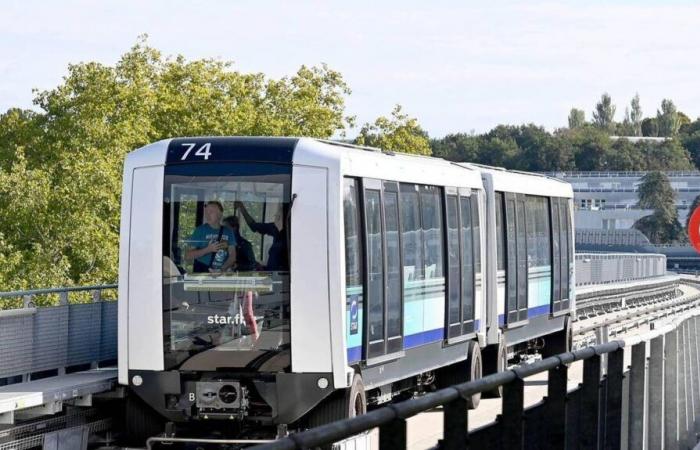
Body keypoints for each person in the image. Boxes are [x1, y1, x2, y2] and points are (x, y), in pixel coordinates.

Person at [234, 201, 288, 271]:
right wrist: (242, 208)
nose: (275, 215)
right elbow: (254, 226)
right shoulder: (274, 228)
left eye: (278, 214)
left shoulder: (289, 239)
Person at [186, 201, 237, 273]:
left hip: (221, 273)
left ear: (220, 214)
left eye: (211, 212)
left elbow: (232, 256)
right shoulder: (200, 230)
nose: (207, 215)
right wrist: (208, 249)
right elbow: (188, 255)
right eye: (206, 212)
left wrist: (221, 269)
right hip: (202, 271)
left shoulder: (228, 232)